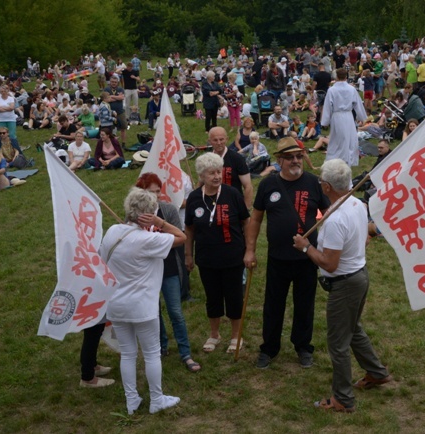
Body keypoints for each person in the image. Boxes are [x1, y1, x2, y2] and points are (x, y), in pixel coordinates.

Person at [292, 159, 391, 413]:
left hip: (345, 283)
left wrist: (306, 247)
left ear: (326, 187)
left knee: (338, 342)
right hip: (359, 275)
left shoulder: (336, 219)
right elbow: (366, 239)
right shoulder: (357, 204)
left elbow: (330, 263)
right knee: (353, 329)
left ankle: (343, 400)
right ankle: (377, 372)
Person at [244, 138, 330, 370]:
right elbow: (256, 219)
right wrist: (250, 250)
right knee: (273, 305)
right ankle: (269, 348)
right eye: (290, 157)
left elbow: (331, 214)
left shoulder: (313, 183)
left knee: (304, 304)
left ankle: (303, 347)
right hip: (277, 258)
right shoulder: (268, 185)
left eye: (299, 156)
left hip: (307, 258)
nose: (295, 161)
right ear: (279, 159)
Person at [99, 187, 184, 414]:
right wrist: (161, 222)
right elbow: (181, 237)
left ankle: (131, 400)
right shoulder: (149, 239)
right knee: (151, 353)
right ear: (150, 213)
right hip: (142, 306)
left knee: (128, 353)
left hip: (116, 304)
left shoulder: (112, 231)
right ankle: (156, 400)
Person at [185, 153, 250, 353]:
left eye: (218, 171)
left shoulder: (232, 194)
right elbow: (189, 228)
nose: (216, 176)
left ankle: (235, 336)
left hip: (233, 256)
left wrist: (250, 250)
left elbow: (245, 222)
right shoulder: (195, 198)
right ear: (202, 176)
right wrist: (188, 255)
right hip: (206, 258)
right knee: (212, 297)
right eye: (211, 173)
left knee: (234, 297)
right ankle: (214, 334)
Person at [135, 174, 200, 372]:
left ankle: (185, 353)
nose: (155, 195)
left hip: (169, 268)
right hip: (147, 271)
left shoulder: (168, 210)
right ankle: (161, 347)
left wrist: (158, 231)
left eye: (157, 191)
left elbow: (179, 237)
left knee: (175, 312)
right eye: (150, 191)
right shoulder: (135, 214)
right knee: (154, 313)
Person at [321, 68, 367, 167]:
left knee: (342, 138)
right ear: (346, 77)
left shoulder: (332, 90)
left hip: (338, 116)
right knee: (345, 138)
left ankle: (345, 158)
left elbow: (328, 106)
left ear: (336, 77)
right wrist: (362, 117)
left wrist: (325, 121)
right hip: (347, 116)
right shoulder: (351, 89)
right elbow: (358, 104)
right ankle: (342, 158)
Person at [208, 127, 253, 209]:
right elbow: (201, 183)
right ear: (209, 141)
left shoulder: (237, 158)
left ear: (227, 139)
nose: (219, 143)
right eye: (215, 140)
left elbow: (248, 186)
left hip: (233, 204)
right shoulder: (206, 160)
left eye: (221, 139)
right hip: (211, 204)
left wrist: (246, 210)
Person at [104, 75, 127, 145]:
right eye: (112, 82)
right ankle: (111, 143)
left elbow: (122, 98)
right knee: (109, 129)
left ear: (117, 83)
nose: (113, 83)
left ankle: (123, 143)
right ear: (110, 82)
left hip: (120, 111)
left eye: (115, 82)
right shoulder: (106, 89)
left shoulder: (120, 89)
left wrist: (111, 96)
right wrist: (117, 97)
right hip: (109, 112)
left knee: (123, 128)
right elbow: (106, 99)